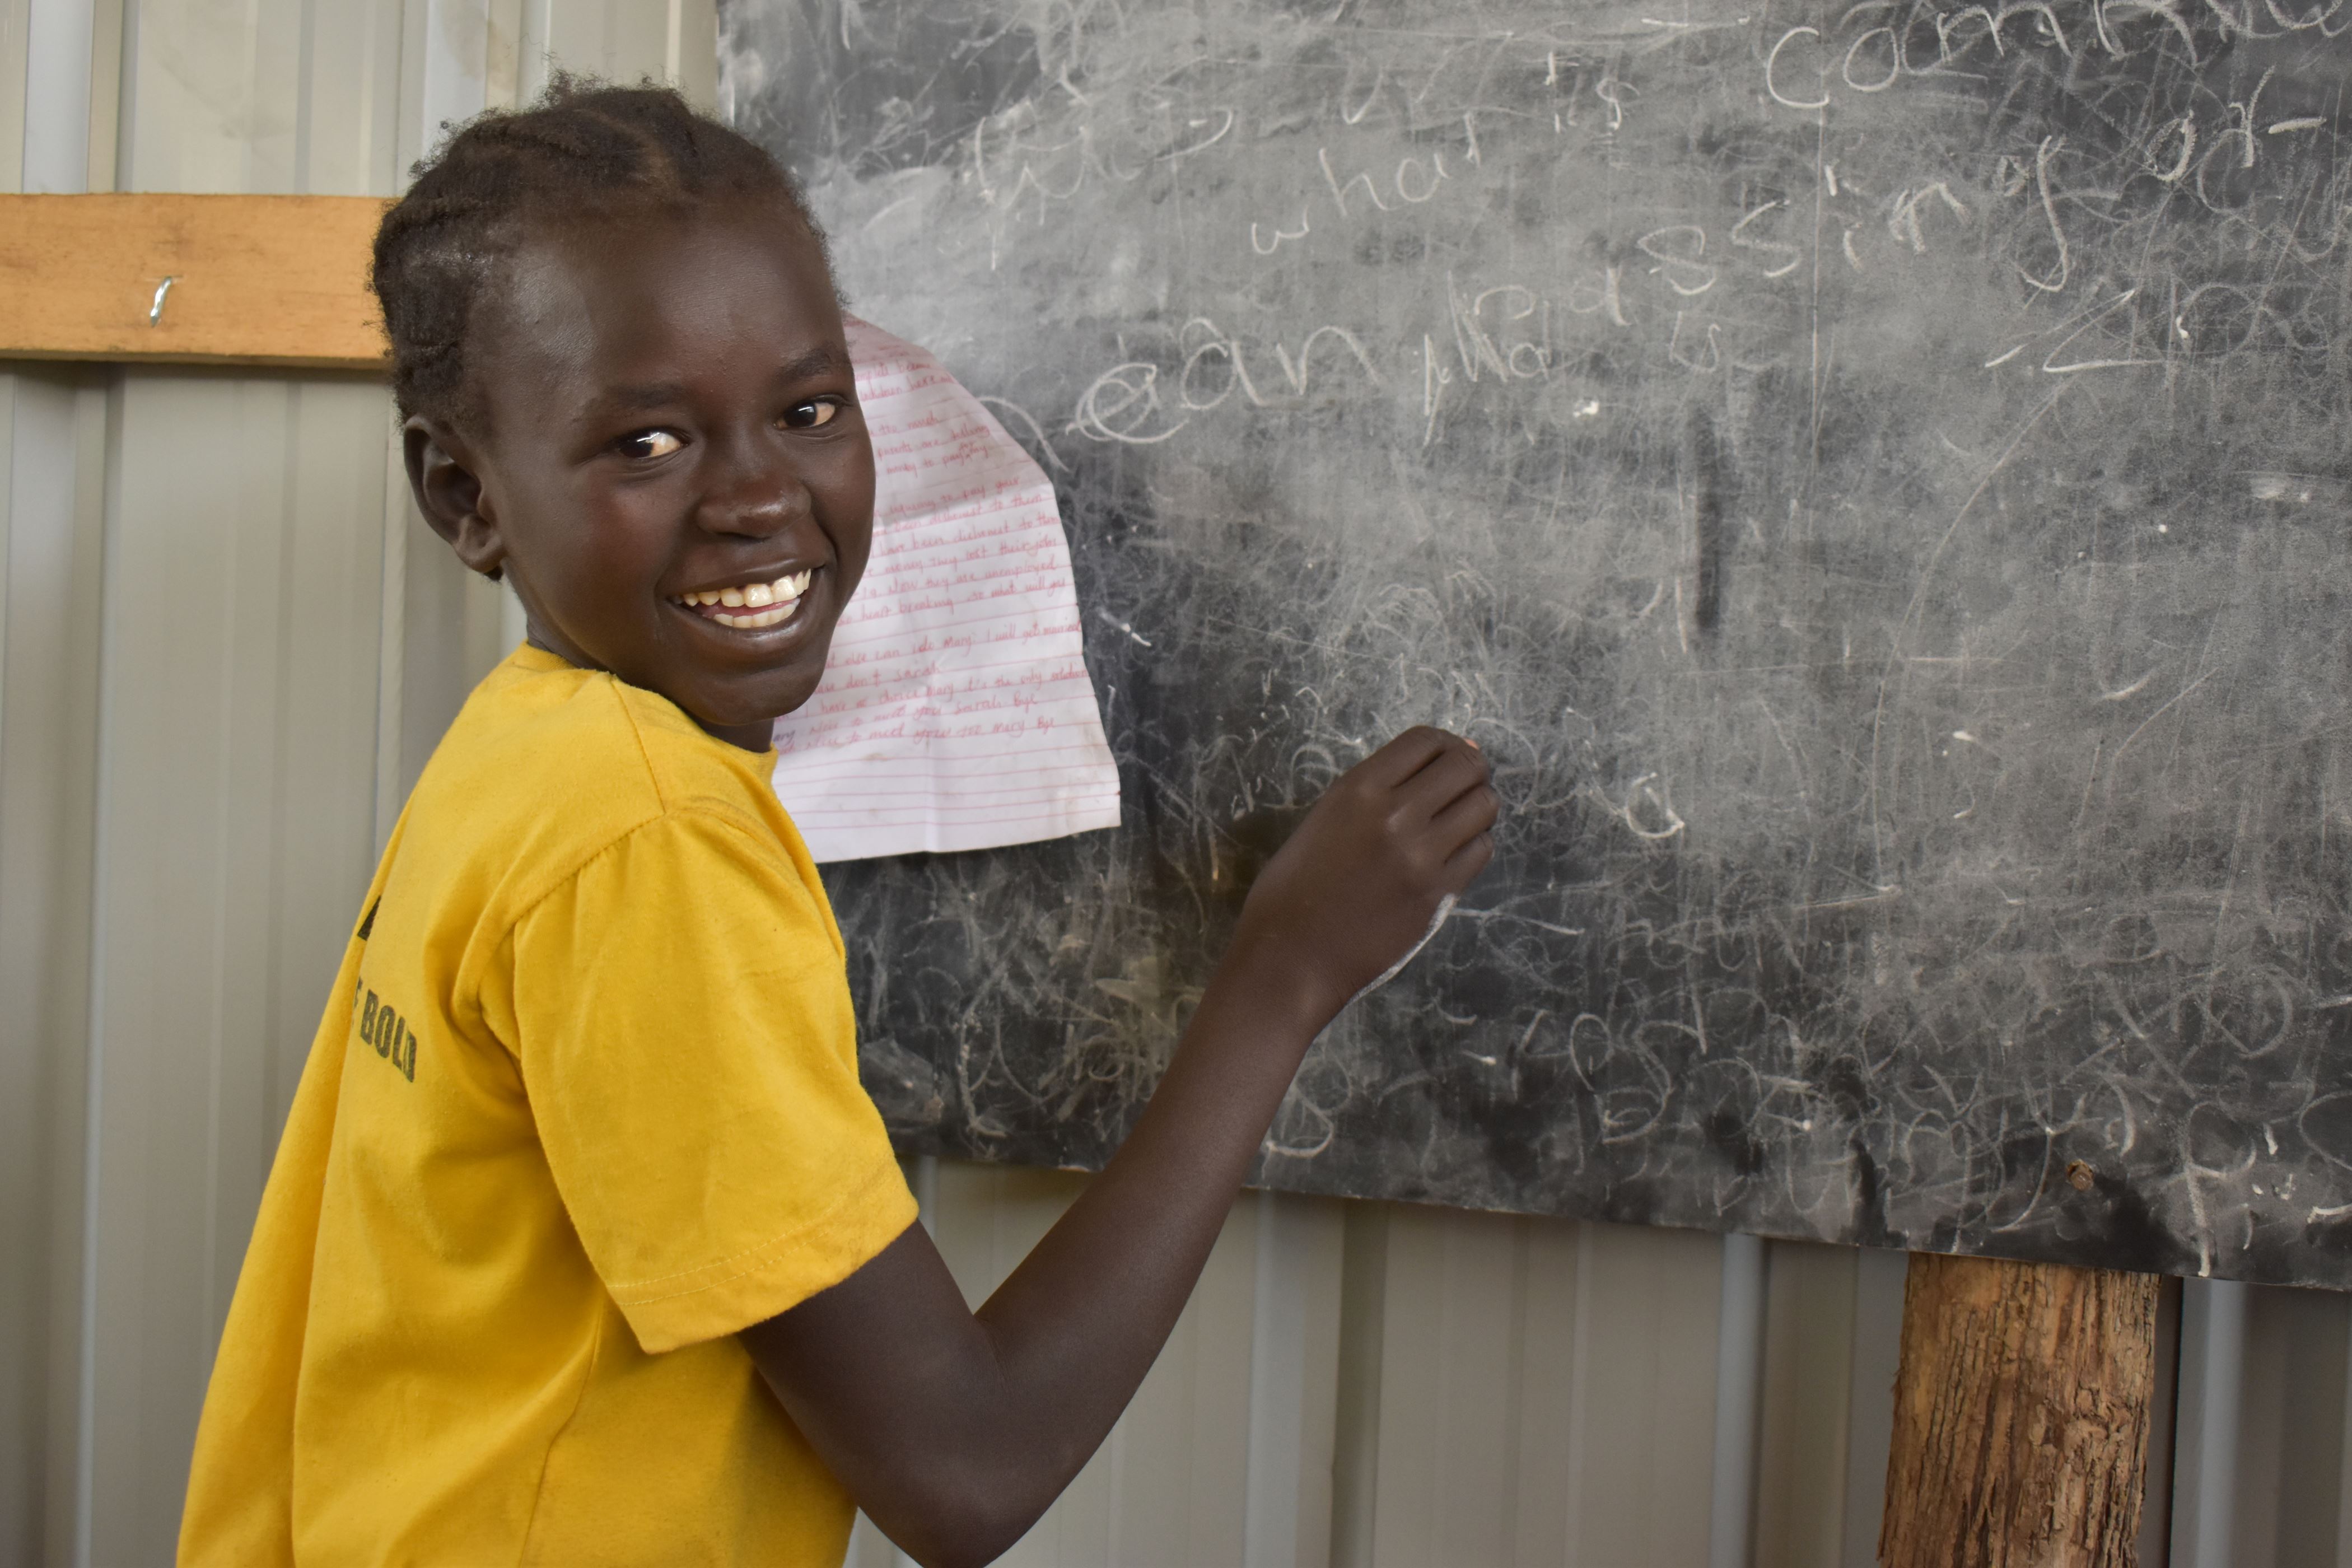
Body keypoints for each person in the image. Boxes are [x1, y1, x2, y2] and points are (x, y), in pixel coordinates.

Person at [179, 78, 1496, 1568]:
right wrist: (1284, 976)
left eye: (809, 413)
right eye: (650, 444)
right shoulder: (650, 843)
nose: (759, 497)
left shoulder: (525, 757)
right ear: (462, 495)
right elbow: (966, 1469)